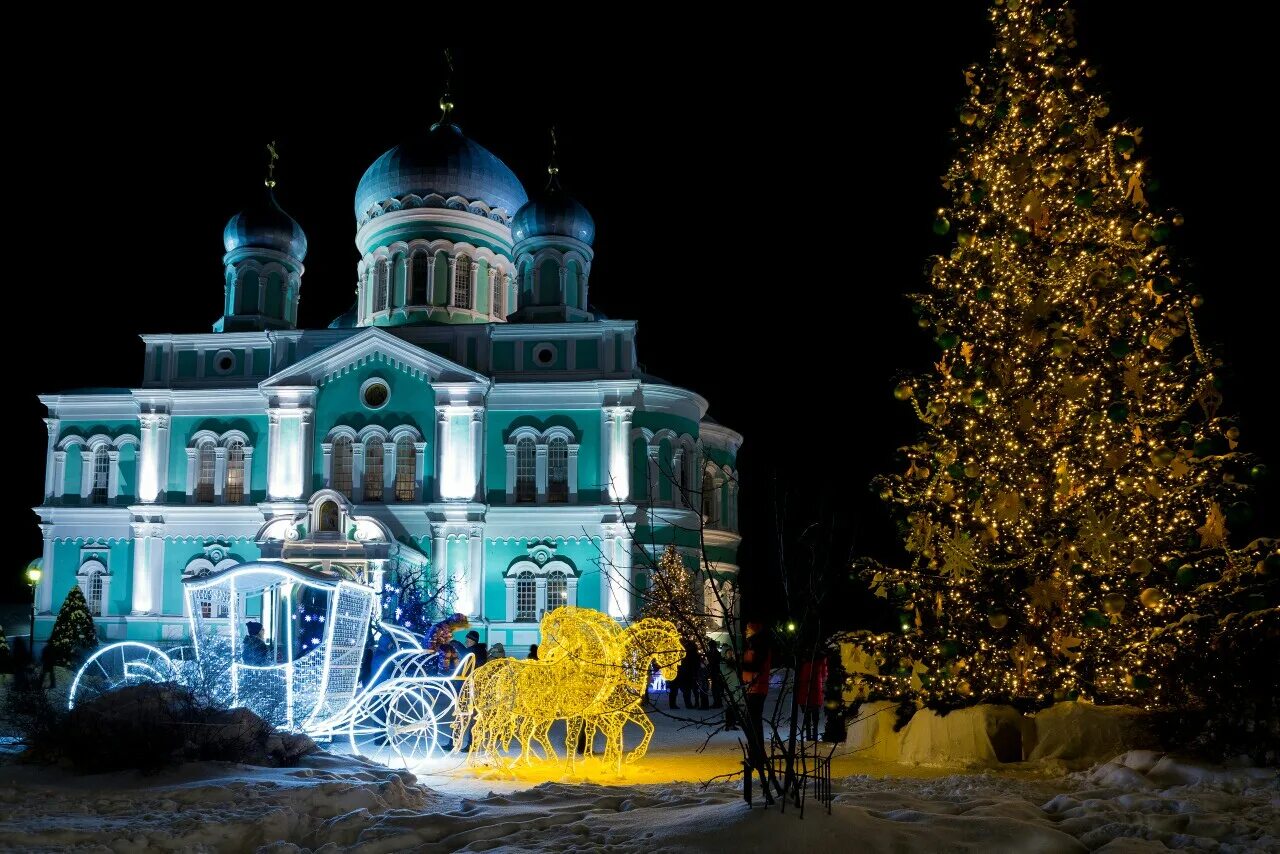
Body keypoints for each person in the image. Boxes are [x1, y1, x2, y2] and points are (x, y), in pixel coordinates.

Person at [741, 621, 774, 805]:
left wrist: (740, 663)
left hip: (756, 688)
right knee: (751, 720)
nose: (745, 631)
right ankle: (756, 751)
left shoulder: (758, 645)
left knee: (753, 721)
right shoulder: (756, 645)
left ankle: (757, 752)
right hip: (753, 687)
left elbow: (755, 667)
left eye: (748, 628)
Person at [798, 653, 828, 742]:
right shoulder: (820, 663)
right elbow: (824, 675)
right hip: (815, 693)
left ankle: (808, 737)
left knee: (807, 718)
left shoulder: (804, 663)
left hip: (805, 694)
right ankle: (814, 737)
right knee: (815, 719)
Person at [669, 637, 698, 710]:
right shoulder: (687, 652)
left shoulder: (686, 652)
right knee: (683, 689)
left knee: (682, 689)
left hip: (683, 672)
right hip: (682, 672)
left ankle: (675, 704)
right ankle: (685, 704)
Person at [707, 642, 724, 709]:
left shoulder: (713, 653)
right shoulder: (717, 653)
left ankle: (717, 703)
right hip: (716, 672)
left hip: (715, 672)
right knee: (716, 688)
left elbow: (712, 662)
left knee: (715, 688)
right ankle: (718, 702)